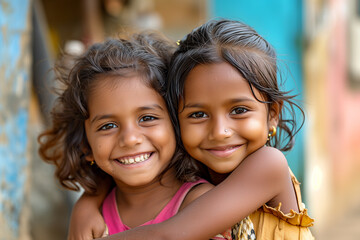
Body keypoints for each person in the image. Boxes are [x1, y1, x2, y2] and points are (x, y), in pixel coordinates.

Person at [69, 19, 314, 240]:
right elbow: (124, 167)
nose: (219, 132)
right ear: (177, 121)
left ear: (272, 115)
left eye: (239, 110)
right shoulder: (200, 163)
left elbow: (171, 235)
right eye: (198, 115)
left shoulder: (268, 164)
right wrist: (88, 203)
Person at [38, 32, 234, 239]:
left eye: (147, 118)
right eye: (108, 126)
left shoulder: (199, 204)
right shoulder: (94, 218)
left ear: (177, 123)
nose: (130, 139)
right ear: (85, 145)